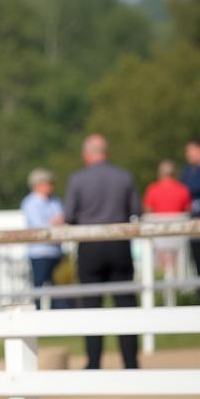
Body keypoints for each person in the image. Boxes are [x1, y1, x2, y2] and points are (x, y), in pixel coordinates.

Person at [63, 134, 142, 370]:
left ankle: (94, 362)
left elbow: (68, 216)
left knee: (91, 304)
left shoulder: (78, 179)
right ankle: (130, 362)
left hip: (90, 245)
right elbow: (136, 210)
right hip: (119, 244)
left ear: (88, 153)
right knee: (126, 303)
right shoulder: (124, 176)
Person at [20, 168, 67, 308]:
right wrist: (55, 222)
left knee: (58, 289)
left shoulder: (55, 201)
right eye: (48, 183)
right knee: (39, 287)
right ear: (38, 184)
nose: (51, 186)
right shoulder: (30, 202)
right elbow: (39, 226)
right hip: (39, 252)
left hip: (56, 251)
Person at [181, 137, 200, 298]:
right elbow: (185, 189)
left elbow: (194, 187)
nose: (187, 154)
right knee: (197, 264)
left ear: (199, 149)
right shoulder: (189, 171)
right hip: (195, 224)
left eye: (189, 150)